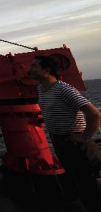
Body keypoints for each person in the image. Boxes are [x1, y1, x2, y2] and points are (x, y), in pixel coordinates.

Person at [31, 55, 101, 211]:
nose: (30, 69)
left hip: (75, 141)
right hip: (60, 141)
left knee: (88, 183)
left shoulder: (63, 89)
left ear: (46, 70)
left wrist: (84, 137)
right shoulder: (42, 89)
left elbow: (94, 114)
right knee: (76, 181)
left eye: (34, 66)